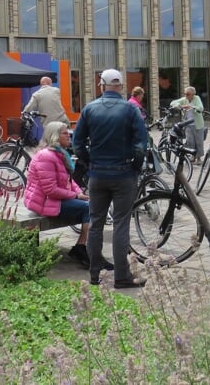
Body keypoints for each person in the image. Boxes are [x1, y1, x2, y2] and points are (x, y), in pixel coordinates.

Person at [71, 68, 148, 288]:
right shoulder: (130, 110)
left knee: (95, 224)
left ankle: (95, 274)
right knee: (121, 224)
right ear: (121, 86)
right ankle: (121, 276)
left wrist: (88, 164)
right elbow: (141, 145)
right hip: (124, 174)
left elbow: (77, 144)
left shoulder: (89, 109)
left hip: (97, 174)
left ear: (102, 86)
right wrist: (135, 167)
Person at [23, 122, 93, 268]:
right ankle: (81, 247)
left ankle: (82, 246)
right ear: (54, 136)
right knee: (88, 208)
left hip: (53, 199)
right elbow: (50, 190)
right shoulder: (46, 156)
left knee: (90, 205)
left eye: (68, 132)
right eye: (64, 133)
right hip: (43, 201)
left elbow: (69, 180)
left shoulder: (59, 153)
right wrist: (75, 196)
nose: (69, 135)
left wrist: (79, 192)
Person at [170, 86, 205, 163]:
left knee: (198, 142)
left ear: (193, 94)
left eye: (188, 94)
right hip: (188, 124)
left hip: (197, 124)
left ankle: (199, 158)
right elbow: (172, 103)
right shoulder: (184, 99)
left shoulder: (197, 98)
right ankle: (192, 156)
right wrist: (180, 106)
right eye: (185, 94)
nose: (186, 95)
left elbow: (201, 108)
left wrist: (192, 107)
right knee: (190, 142)